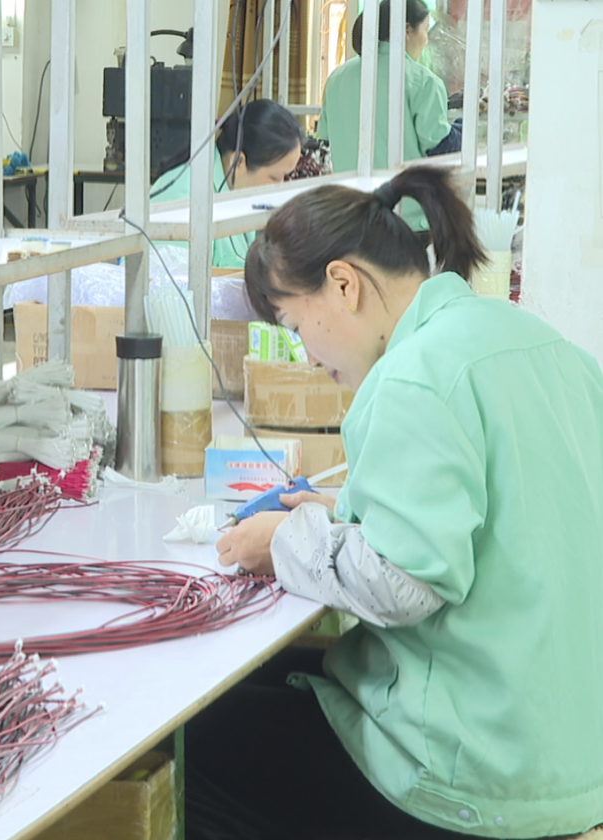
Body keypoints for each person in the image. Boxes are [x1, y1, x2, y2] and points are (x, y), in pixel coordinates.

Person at [185, 166, 603, 839]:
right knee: (276, 685)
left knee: (193, 744)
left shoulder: (413, 376)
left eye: (294, 323)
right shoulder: (535, 342)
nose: (305, 354)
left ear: (343, 285)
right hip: (569, 761)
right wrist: (337, 507)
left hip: (473, 779)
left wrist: (283, 542)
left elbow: (403, 586)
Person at [317, 0, 460, 231]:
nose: (426, 40)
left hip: (351, 215)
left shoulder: (337, 79)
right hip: (405, 217)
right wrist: (464, 127)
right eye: (425, 30)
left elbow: (325, 138)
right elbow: (441, 148)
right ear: (407, 30)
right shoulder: (423, 82)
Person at [151, 99, 302, 268]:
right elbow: (170, 280)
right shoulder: (183, 199)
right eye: (275, 177)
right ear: (238, 161)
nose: (280, 186)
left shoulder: (238, 191)